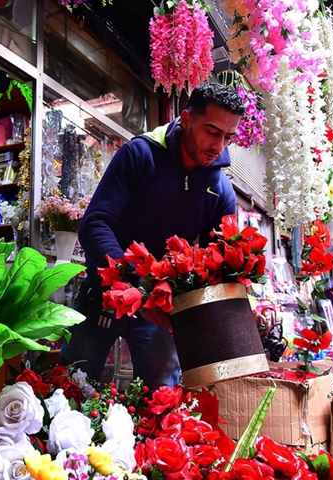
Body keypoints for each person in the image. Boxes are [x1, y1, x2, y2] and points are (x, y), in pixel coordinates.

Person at [60, 82, 244, 390]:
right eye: (212, 132)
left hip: (158, 311)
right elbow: (94, 225)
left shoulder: (221, 191)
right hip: (103, 295)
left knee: (163, 401)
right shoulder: (139, 154)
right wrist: (138, 287)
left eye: (228, 137)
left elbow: (218, 267)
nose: (219, 146)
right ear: (186, 120)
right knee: (67, 392)